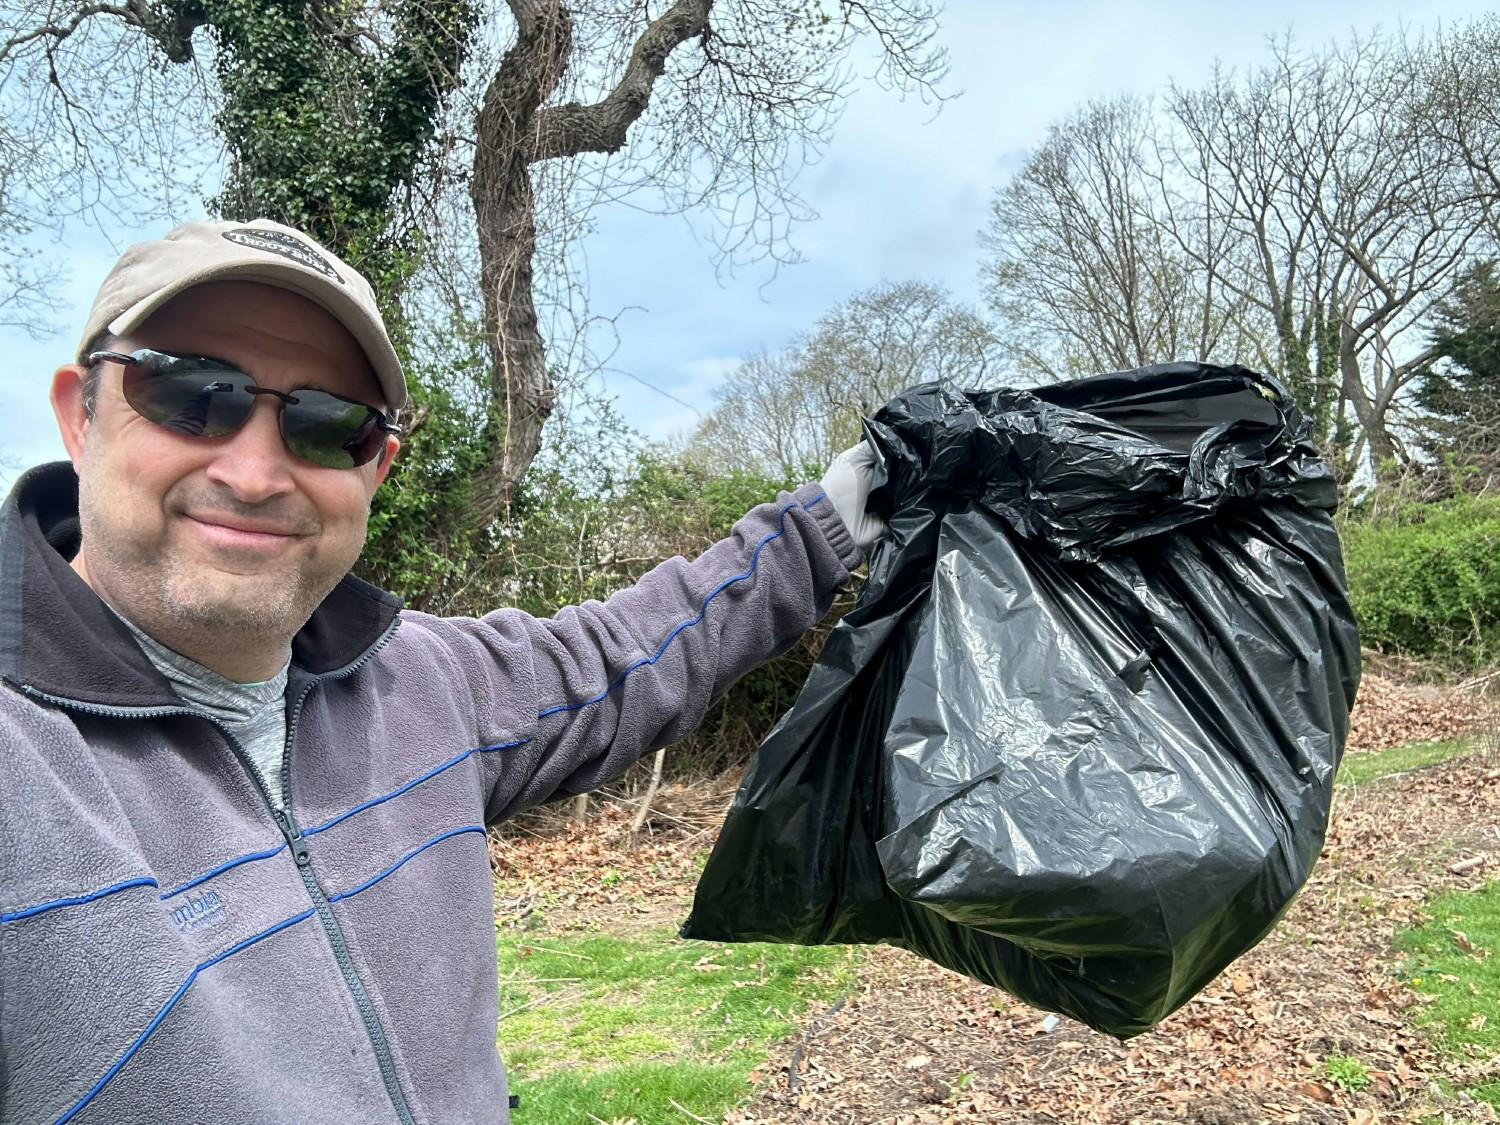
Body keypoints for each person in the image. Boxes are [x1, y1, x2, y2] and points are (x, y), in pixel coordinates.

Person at [0, 218, 885, 1125]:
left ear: (377, 466)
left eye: (327, 423)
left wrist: (835, 518)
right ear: (80, 413)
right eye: (191, 393)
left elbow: (635, 650)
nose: (258, 470)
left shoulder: (424, 682)